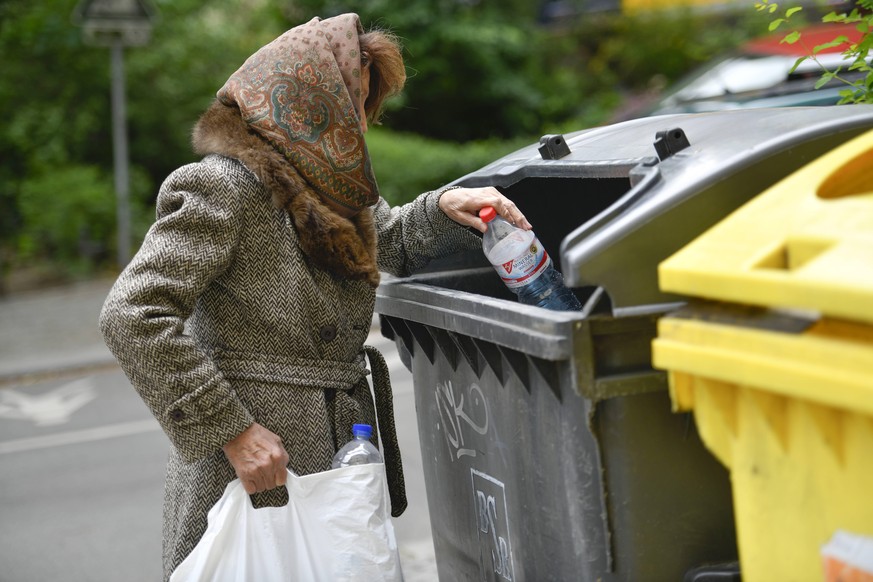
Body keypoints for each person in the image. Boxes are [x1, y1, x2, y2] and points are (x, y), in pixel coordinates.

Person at [99, 12, 530, 579]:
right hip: (258, 463)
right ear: (307, 97)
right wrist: (233, 431)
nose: (361, 124)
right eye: (353, 104)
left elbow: (387, 242)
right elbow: (132, 315)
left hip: (338, 446)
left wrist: (442, 206)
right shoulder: (222, 185)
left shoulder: (329, 175)